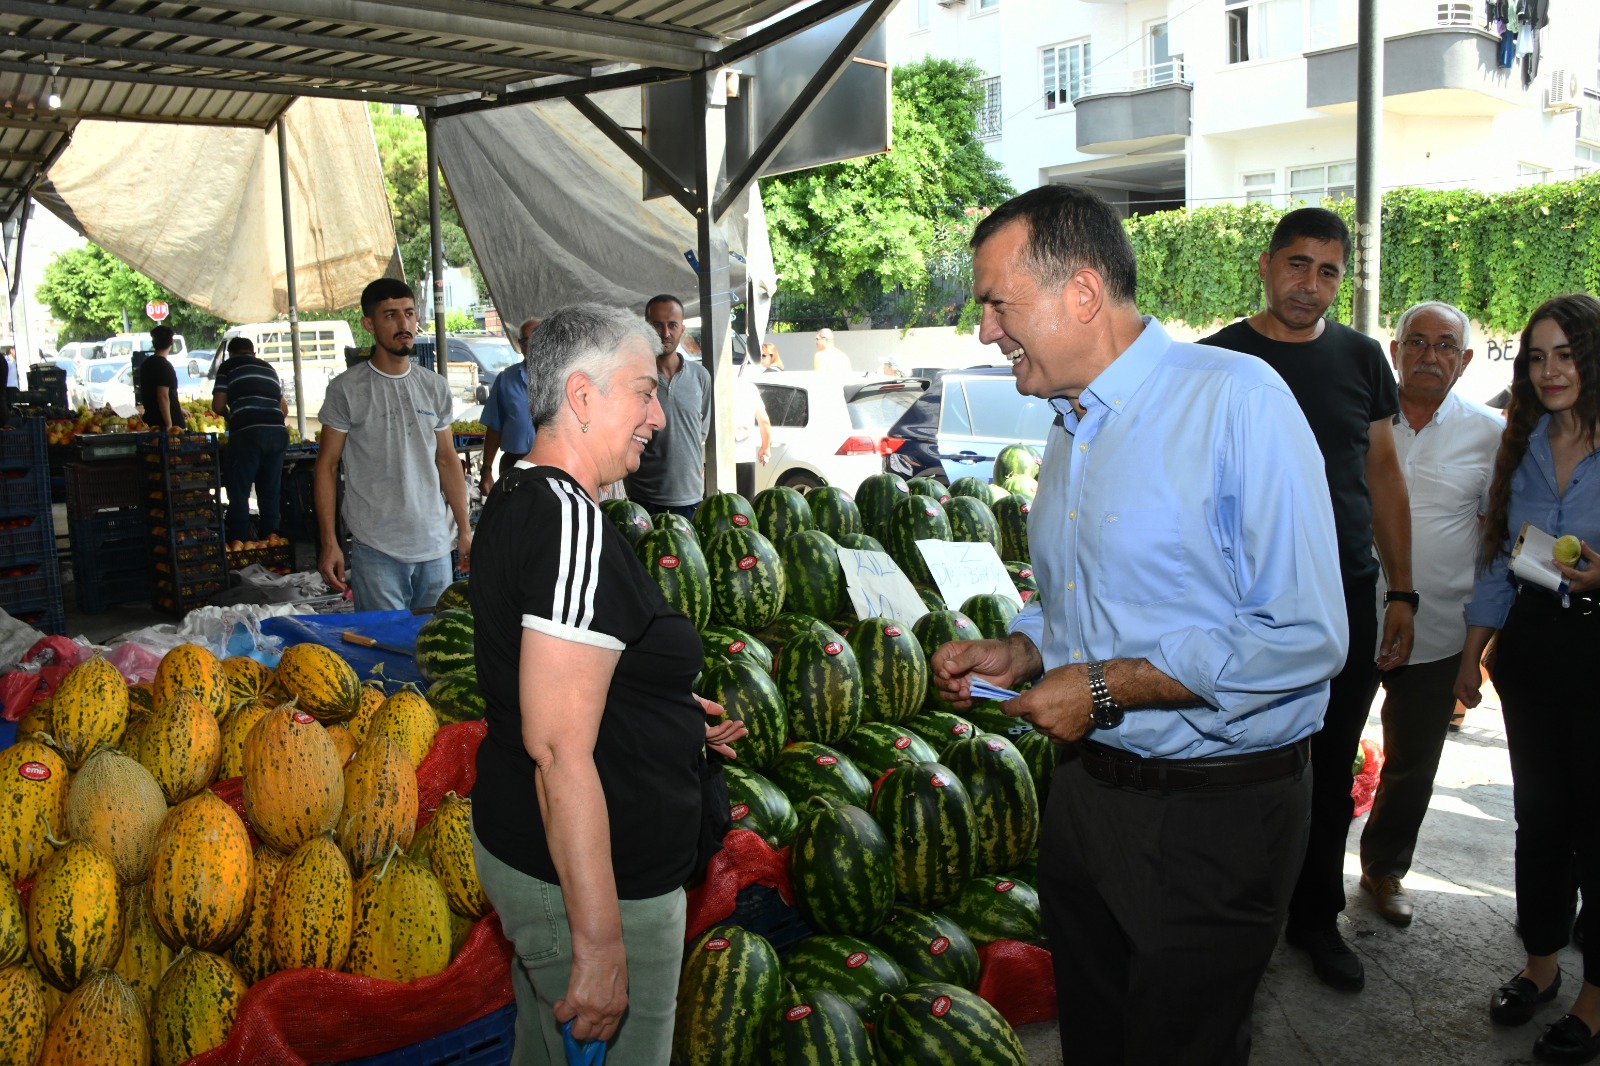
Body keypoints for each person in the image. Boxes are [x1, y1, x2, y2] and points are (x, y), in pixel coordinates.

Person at [934, 185, 1346, 1065]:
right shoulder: (1067, 422)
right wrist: (1026, 646)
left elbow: (1306, 632)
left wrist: (1103, 686)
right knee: (1097, 1040)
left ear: (1081, 294)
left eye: (996, 305)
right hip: (1089, 799)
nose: (985, 333)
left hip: (1217, 818)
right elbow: (1080, 595)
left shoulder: (1237, 401)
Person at [468, 303, 746, 1062]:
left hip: (537, 854)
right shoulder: (572, 527)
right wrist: (597, 946)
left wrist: (663, 710)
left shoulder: (523, 495)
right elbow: (557, 748)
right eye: (642, 391)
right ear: (583, 398)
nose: (658, 415)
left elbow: (552, 670)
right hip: (590, 882)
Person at [1200, 206, 1415, 992]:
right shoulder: (1215, 361)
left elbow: (1384, 477)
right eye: (1298, 264)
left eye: (1329, 271)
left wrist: (1405, 590)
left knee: (1329, 763)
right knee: (1239, 762)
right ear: (1265, 265)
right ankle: (1232, 922)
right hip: (1242, 604)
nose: (1312, 284)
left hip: (1349, 598)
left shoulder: (1361, 359)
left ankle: (1316, 921)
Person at [1456, 293, 1600, 1065]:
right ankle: (1540, 965)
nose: (1548, 372)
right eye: (1537, 356)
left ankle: (1593, 999)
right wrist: (1470, 659)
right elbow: (1496, 565)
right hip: (1535, 651)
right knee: (1540, 821)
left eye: (1566, 355)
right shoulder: (1524, 443)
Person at [1356, 302, 1504, 927]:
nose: (1430, 355)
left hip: (1438, 629)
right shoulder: (1360, 422)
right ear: (1394, 352)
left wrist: (1481, 648)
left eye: (1446, 345)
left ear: (1466, 361)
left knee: (1413, 762)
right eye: (1416, 342)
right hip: (1348, 620)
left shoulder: (1492, 436)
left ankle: (1384, 871)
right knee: (1322, 748)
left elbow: (1497, 540)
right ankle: (1304, 881)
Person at [314, 278, 471, 611]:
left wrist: (465, 529)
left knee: (436, 651)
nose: (404, 324)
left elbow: (446, 460)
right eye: (390, 315)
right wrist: (329, 542)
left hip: (435, 547)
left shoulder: (434, 386)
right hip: (377, 549)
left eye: (409, 313)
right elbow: (326, 467)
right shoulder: (346, 390)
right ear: (369, 324)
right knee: (383, 653)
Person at [623, 295, 710, 519]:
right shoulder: (633, 377)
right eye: (657, 325)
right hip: (643, 500)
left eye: (672, 325)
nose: (665, 333)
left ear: (682, 328)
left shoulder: (701, 377)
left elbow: (701, 430)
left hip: (690, 498)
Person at [212, 335, 291, 543]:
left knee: (239, 494)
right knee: (270, 495)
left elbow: (218, 405)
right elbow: (284, 409)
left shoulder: (228, 367)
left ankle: (238, 546)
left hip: (247, 434)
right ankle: (271, 546)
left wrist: (234, 417)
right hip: (278, 434)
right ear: (253, 352)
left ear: (230, 354)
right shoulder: (268, 368)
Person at [480, 317, 539, 497]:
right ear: (521, 346)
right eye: (525, 341)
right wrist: (486, 470)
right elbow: (494, 429)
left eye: (536, 338)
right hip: (514, 464)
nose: (531, 345)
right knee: (515, 519)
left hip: (551, 465)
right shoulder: (506, 379)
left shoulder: (561, 379)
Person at [137, 325, 187, 431]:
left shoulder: (146, 364)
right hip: (166, 426)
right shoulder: (165, 366)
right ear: (171, 343)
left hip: (151, 421)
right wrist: (169, 425)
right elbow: (162, 396)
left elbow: (158, 395)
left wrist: (178, 408)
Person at [732, 376, 771, 500]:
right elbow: (764, 421)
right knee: (744, 505)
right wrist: (766, 448)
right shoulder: (749, 388)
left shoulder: (713, 385)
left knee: (717, 504)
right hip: (744, 453)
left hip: (716, 456)